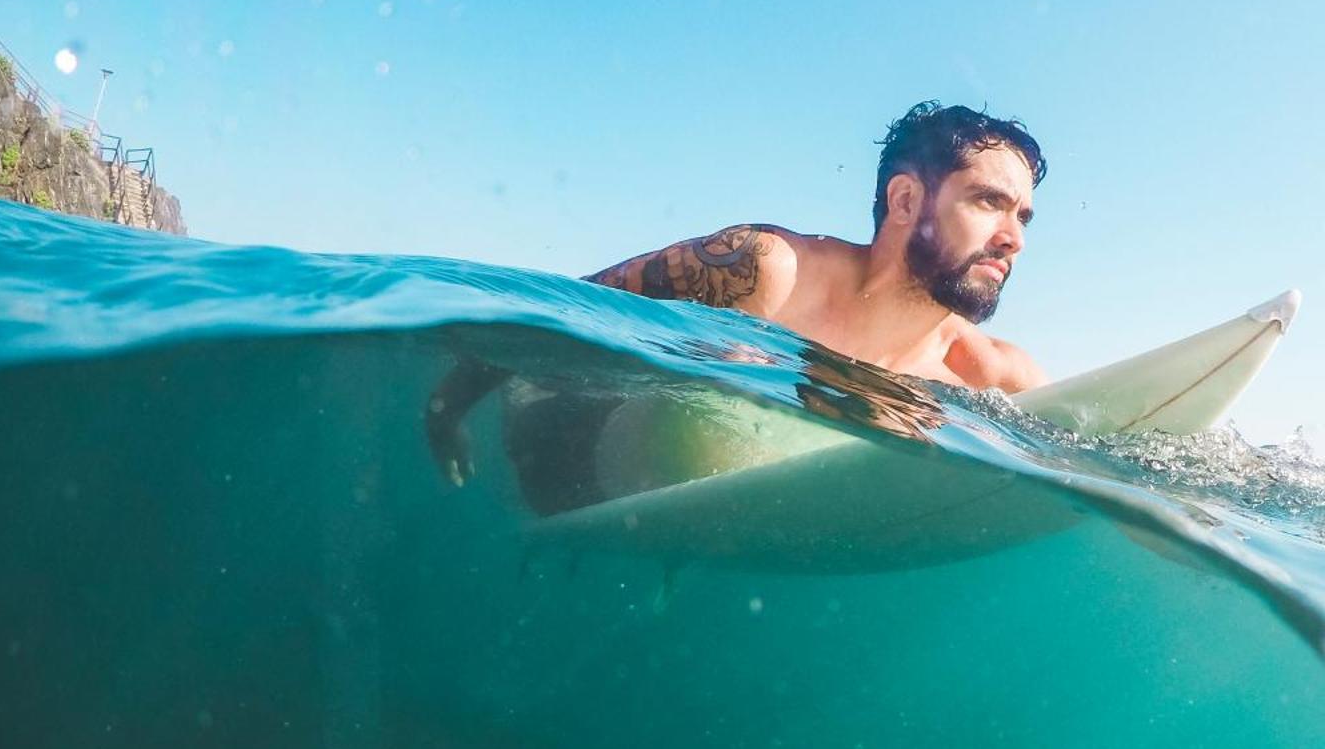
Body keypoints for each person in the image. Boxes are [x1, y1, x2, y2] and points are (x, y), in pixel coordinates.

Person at [424, 101, 1049, 502]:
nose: (1014, 237)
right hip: (565, 446)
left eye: (1022, 215)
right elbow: (567, 311)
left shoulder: (994, 377)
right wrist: (448, 407)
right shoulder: (767, 271)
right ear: (906, 200)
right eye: (987, 202)